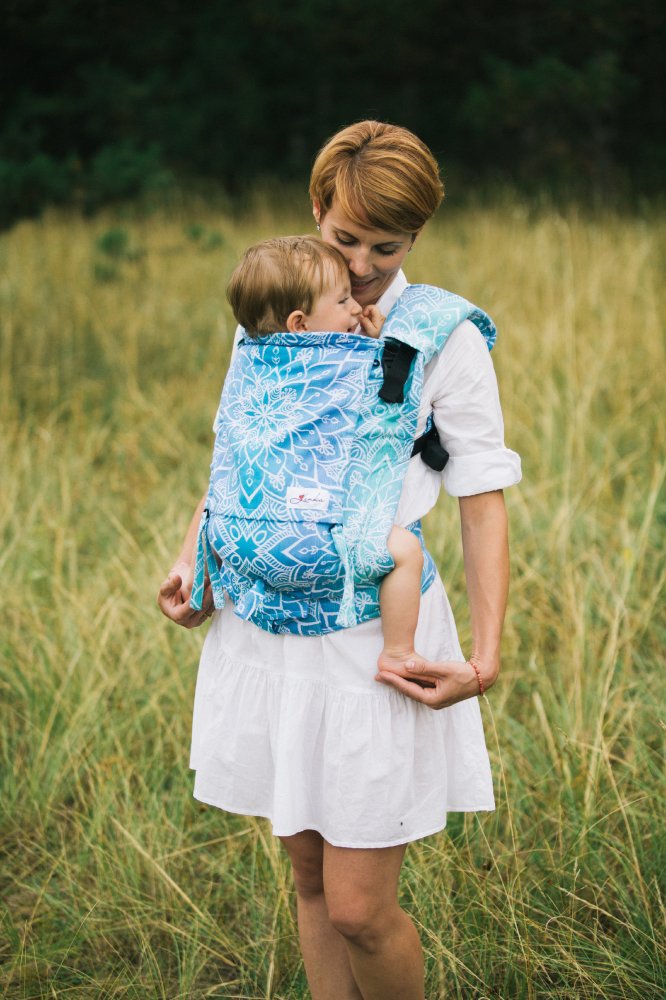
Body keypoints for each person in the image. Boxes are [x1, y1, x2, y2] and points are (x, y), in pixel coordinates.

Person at [158, 121, 521, 1000]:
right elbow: (239, 449)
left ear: (417, 236)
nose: (360, 264)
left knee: (360, 906)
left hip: (373, 636)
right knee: (311, 879)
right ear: (317, 208)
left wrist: (486, 653)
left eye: (384, 246)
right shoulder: (274, 306)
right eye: (344, 239)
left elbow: (481, 496)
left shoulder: (442, 336)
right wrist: (192, 561)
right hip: (266, 628)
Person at [224, 233, 431, 676]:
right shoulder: (353, 357)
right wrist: (382, 345)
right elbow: (393, 412)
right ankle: (397, 652)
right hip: (317, 533)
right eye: (342, 303)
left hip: (236, 533)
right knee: (405, 551)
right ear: (300, 324)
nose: (355, 307)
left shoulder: (249, 359)